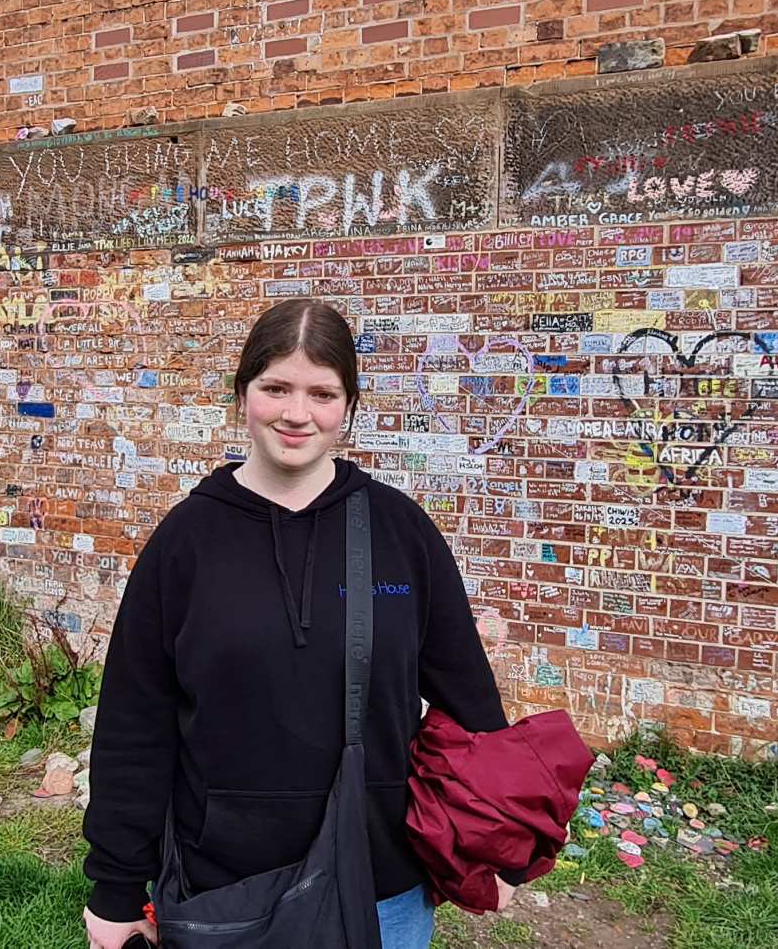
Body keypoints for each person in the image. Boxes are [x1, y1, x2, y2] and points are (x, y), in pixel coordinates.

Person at [82, 299, 520, 949]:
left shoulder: (402, 533)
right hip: (225, 889)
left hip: (383, 887)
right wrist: (117, 886)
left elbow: (471, 701)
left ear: (348, 404)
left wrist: (503, 841)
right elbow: (134, 722)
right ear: (242, 394)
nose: (296, 412)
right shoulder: (186, 543)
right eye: (276, 387)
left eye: (322, 392)